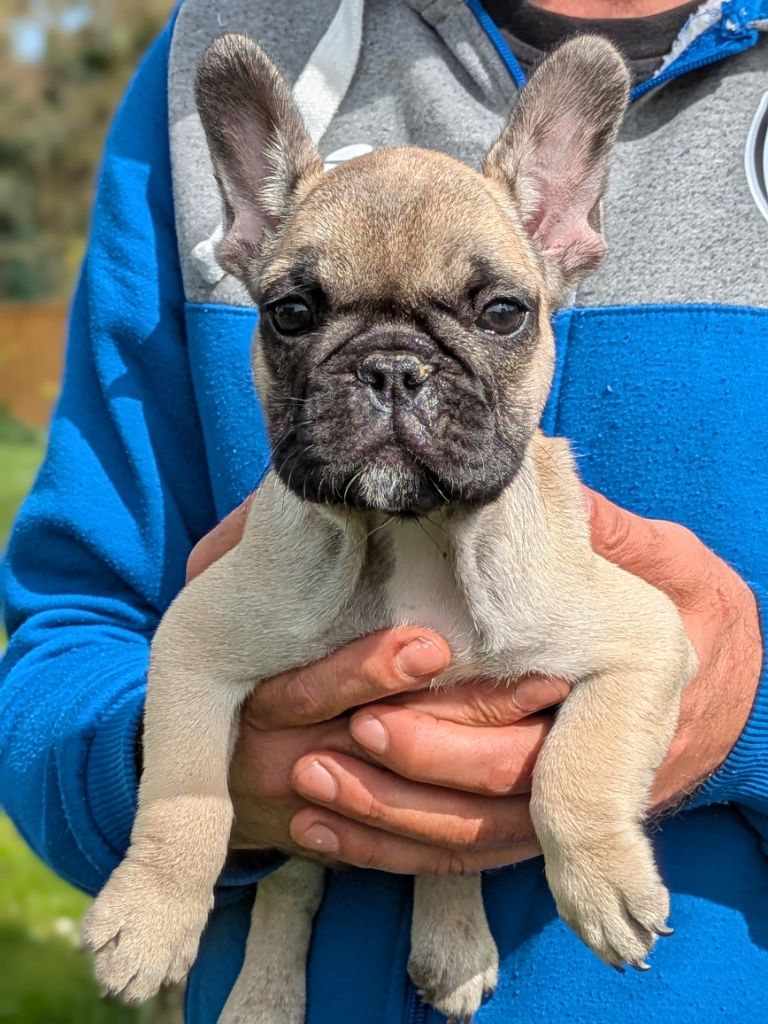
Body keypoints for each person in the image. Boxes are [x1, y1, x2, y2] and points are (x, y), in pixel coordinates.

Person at [2, 0, 767, 1020]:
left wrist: (734, 718)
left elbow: (642, 651)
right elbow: (85, 631)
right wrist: (192, 802)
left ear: (564, 224)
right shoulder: (239, 30)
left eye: (492, 316)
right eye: (300, 315)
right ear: (244, 234)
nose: (395, 379)